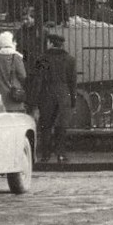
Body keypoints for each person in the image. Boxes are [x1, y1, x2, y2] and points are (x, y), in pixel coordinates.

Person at [34, 33, 77, 163]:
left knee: (46, 125)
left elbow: (38, 80)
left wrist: (35, 100)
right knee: (61, 126)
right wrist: (73, 100)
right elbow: (72, 82)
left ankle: (45, 155)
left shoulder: (42, 59)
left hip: (47, 94)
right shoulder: (70, 59)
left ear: (51, 43)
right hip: (64, 94)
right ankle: (61, 154)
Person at [0, 31, 27, 112]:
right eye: (14, 41)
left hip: (2, 95)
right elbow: (23, 76)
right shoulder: (16, 57)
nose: (16, 43)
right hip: (15, 95)